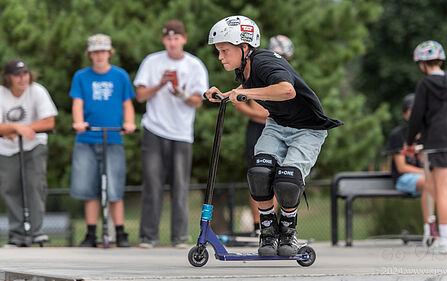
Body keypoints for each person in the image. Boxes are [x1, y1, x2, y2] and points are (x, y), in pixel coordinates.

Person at [206, 15, 343, 256]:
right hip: (277, 125)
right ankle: (268, 231)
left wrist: (245, 94)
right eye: (219, 51)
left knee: (288, 180)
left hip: (307, 129)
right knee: (259, 171)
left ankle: (288, 231)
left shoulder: (265, 61)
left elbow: (286, 90)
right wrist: (223, 94)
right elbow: (244, 92)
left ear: (244, 47)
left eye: (225, 50)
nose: (220, 56)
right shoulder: (244, 68)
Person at [134, 19, 208, 249]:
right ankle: (148, 236)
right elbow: (140, 96)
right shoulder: (152, 61)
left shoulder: (195, 65)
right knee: (152, 183)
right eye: (168, 38)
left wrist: (181, 94)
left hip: (182, 132)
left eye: (176, 38)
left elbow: (198, 101)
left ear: (183, 39)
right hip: (154, 129)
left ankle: (179, 236)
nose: (172, 42)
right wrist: (160, 84)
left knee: (180, 185)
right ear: (163, 40)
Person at [70, 34, 136, 247]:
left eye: (103, 52)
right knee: (88, 188)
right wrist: (79, 122)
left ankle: (120, 232)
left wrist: (129, 123)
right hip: (87, 138)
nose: (99, 56)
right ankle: (90, 233)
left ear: (109, 53)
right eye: (95, 52)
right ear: (90, 54)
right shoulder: (81, 76)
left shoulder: (120, 76)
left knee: (115, 188)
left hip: (113, 137)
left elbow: (127, 103)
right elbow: (77, 103)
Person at [234, 34, 294, 235]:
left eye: (284, 57)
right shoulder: (257, 72)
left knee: (280, 176)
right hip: (258, 127)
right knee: (257, 175)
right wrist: (257, 115)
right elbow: (238, 98)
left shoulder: (284, 75)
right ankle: (258, 224)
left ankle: (275, 223)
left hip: (280, 127)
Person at [406, 40, 447, 254]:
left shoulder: (425, 84)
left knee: (439, 190)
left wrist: (411, 139)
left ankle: (446, 240)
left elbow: (417, 115)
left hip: (436, 141)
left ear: (422, 63)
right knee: (445, 186)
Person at [0, 58, 57, 247]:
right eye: (17, 75)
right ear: (8, 78)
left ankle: (37, 231)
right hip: (7, 150)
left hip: (34, 144)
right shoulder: (1, 94)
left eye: (25, 74)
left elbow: (49, 121)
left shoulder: (37, 91)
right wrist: (16, 127)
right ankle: (17, 235)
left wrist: (22, 129)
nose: (22, 78)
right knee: (9, 188)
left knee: (34, 185)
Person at [386, 93, 433, 244]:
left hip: (426, 176)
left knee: (444, 183)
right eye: (411, 111)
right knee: (429, 182)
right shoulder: (398, 135)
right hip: (404, 179)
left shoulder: (429, 134)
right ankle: (429, 230)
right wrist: (428, 173)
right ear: (404, 114)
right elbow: (402, 167)